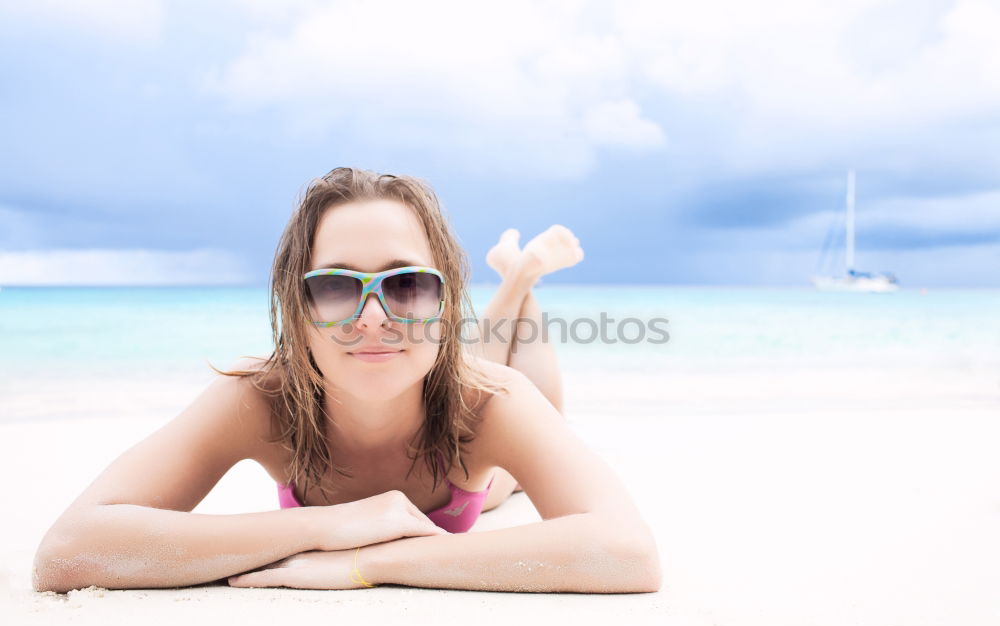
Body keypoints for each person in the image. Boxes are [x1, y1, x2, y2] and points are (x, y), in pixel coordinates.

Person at [32, 167, 660, 594]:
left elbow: (627, 551)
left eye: (407, 285)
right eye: (335, 286)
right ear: (295, 310)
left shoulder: (490, 406)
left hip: (483, 474)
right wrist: (330, 525)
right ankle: (517, 274)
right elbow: (67, 549)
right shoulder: (259, 400)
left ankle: (523, 279)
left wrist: (370, 561)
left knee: (518, 400)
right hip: (450, 402)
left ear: (447, 298)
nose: (373, 317)